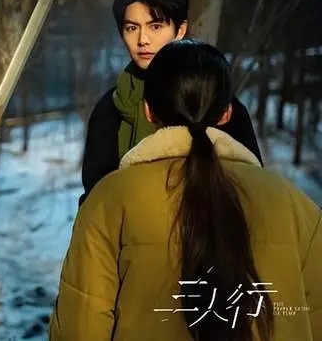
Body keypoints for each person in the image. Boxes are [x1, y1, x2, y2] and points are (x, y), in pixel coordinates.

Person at [50, 40, 321, 340]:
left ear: (148, 110)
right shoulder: (291, 203)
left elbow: (82, 326)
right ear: (227, 112)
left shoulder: (110, 200)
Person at [80, 0, 262, 205]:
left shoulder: (214, 101)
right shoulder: (112, 108)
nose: (143, 39)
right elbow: (95, 200)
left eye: (155, 26)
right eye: (132, 28)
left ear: (180, 30)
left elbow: (252, 188)